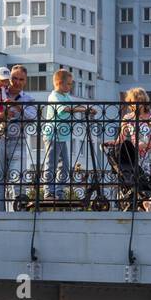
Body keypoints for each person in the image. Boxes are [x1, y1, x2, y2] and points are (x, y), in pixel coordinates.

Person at [42, 68, 94, 202]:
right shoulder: (54, 96)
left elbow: (73, 106)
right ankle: (49, 192)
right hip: (53, 135)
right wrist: (83, 109)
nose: (71, 86)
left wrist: (86, 109)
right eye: (69, 84)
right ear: (59, 83)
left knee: (64, 165)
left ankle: (59, 192)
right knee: (51, 164)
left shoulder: (66, 96)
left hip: (62, 136)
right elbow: (65, 108)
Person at [0, 65, 38, 211]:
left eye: (21, 79)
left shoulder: (28, 99)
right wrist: (0, 115)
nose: (17, 82)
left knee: (18, 178)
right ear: (9, 78)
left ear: (25, 81)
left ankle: (20, 211)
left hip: (18, 141)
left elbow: (33, 116)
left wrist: (17, 105)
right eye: (14, 78)